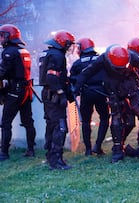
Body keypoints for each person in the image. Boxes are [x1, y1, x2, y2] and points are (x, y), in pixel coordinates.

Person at [73, 44, 139, 163]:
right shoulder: (103, 59)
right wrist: (76, 88)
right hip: (112, 88)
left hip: (130, 85)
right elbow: (86, 73)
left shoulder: (133, 57)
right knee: (116, 117)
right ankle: (117, 149)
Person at [39, 30, 75, 170]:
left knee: (51, 125)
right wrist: (61, 93)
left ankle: (51, 157)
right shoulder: (57, 55)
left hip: (48, 95)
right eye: (69, 43)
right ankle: (56, 161)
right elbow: (52, 77)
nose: (70, 47)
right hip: (54, 96)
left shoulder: (49, 53)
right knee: (60, 127)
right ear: (63, 43)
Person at [0, 24, 36, 161]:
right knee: (28, 121)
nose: (1, 38)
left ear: (9, 36)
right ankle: (31, 150)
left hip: (15, 90)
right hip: (26, 89)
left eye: (2, 35)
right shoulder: (23, 50)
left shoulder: (9, 51)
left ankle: (3, 153)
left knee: (6, 122)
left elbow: (2, 72)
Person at [70, 38, 109, 156]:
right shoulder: (102, 59)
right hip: (101, 92)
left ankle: (88, 149)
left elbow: (73, 79)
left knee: (86, 121)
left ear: (81, 48)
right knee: (104, 118)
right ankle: (98, 145)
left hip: (86, 93)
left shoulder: (77, 63)